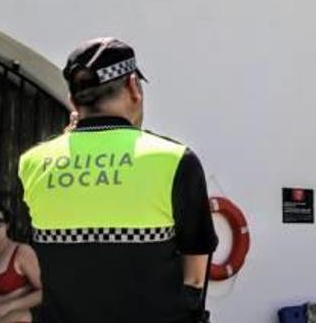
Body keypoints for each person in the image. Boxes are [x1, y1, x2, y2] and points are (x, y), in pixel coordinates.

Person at [18, 37, 218, 323]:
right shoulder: (175, 160)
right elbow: (195, 277)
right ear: (134, 87)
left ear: (73, 100)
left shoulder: (32, 163)